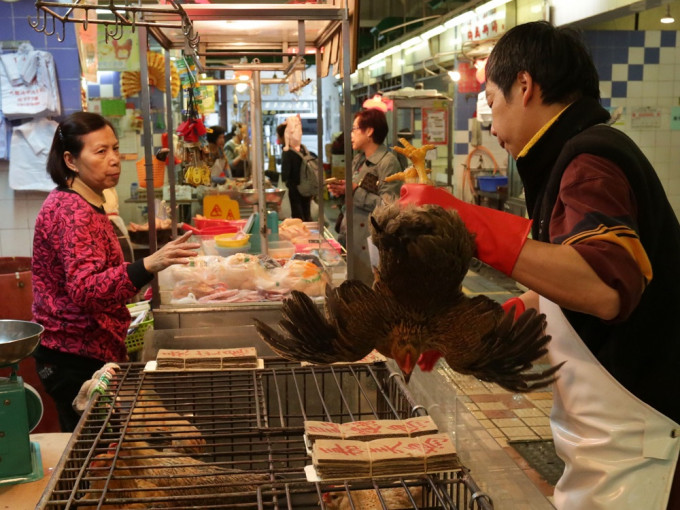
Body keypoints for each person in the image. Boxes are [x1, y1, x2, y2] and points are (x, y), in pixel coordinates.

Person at [401, 21, 680, 510]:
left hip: (645, 444)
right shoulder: (570, 158)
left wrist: (465, 223)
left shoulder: (592, 159)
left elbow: (602, 287)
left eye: (491, 98)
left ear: (524, 87)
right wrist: (469, 332)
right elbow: (562, 294)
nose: (489, 121)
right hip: (614, 445)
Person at [31, 112, 200, 432]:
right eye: (100, 151)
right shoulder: (71, 210)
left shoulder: (86, 202)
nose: (114, 160)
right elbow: (85, 289)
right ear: (70, 160)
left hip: (91, 347)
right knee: (93, 457)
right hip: (72, 357)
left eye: (115, 149)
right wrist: (148, 264)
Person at [327, 108, 402, 286]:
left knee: (368, 290)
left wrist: (354, 192)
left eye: (354, 129)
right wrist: (342, 192)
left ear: (369, 131)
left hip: (370, 244)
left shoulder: (388, 162)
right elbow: (355, 191)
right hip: (351, 237)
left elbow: (389, 207)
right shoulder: (358, 160)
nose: (351, 134)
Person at [278, 119, 312, 222]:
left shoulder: (287, 151)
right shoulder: (302, 148)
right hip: (306, 188)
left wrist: (269, 174)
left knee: (298, 219)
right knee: (307, 216)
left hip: (295, 190)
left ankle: (303, 237)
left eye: (278, 135)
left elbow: (285, 175)